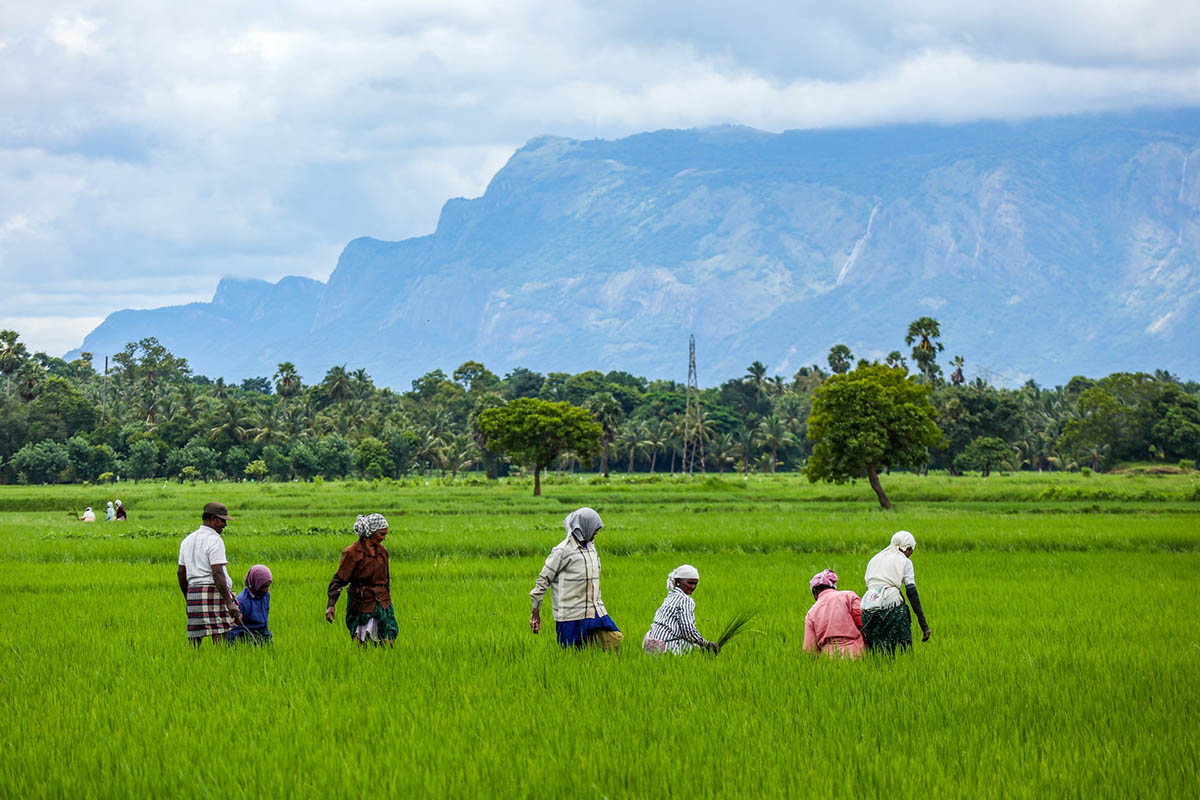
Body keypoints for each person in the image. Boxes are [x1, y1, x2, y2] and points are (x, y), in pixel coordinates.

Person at [530, 507, 623, 651]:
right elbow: (543, 580)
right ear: (584, 527)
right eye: (594, 528)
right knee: (575, 653)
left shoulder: (591, 547)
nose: (596, 532)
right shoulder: (562, 551)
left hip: (594, 610)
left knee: (614, 640)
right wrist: (535, 613)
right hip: (571, 616)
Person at [325, 514, 397, 644]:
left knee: (388, 641)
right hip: (361, 604)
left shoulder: (383, 552)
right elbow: (339, 581)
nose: (384, 538)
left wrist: (388, 598)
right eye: (381, 534)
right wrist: (331, 605)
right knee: (361, 643)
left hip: (383, 603)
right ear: (371, 533)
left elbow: (386, 580)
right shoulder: (352, 553)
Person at [176, 502, 241, 646]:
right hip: (213, 591)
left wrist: (188, 597)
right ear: (213, 519)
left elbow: (181, 573)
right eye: (223, 520)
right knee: (220, 634)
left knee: (194, 636)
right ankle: (220, 658)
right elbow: (217, 573)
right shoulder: (215, 540)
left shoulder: (187, 540)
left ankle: (192, 658)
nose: (225, 524)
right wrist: (229, 603)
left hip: (193, 592)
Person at [860, 531, 931, 654]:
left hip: (867, 609)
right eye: (911, 552)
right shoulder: (904, 561)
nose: (909, 555)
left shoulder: (874, 559)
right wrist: (924, 625)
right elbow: (911, 593)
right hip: (892, 610)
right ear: (907, 549)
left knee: (877, 652)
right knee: (903, 649)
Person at [643, 564, 717, 655]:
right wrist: (706, 644)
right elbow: (688, 631)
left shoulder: (670, 596)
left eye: (695, 583)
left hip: (653, 645)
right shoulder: (685, 600)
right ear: (678, 582)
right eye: (690, 583)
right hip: (667, 647)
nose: (693, 587)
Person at [803, 569, 865, 658]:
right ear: (833, 587)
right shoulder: (848, 596)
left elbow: (809, 650)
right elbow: (863, 623)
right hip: (856, 655)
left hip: (828, 659)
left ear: (815, 592)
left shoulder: (811, 612)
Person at [228, 564, 273, 645]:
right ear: (255, 583)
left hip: (262, 632)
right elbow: (234, 627)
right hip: (247, 635)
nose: (266, 589)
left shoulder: (266, 596)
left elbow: (265, 620)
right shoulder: (242, 601)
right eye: (263, 586)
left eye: (268, 586)